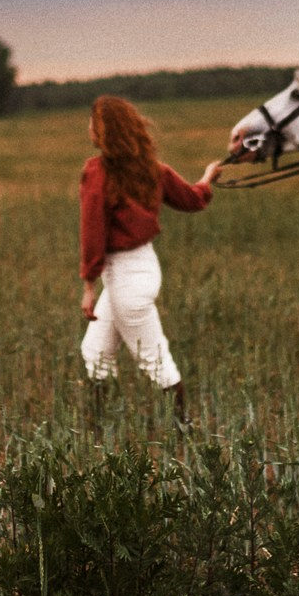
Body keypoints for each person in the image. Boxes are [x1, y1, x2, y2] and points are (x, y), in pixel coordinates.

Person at [79, 95, 222, 423]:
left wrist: (88, 286)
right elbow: (192, 199)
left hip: (125, 278)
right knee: (96, 351)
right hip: (140, 269)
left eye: (92, 122)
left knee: (155, 361)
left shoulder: (96, 172)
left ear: (103, 131)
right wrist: (207, 178)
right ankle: (99, 430)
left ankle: (185, 432)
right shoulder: (153, 170)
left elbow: (92, 233)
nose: (89, 128)